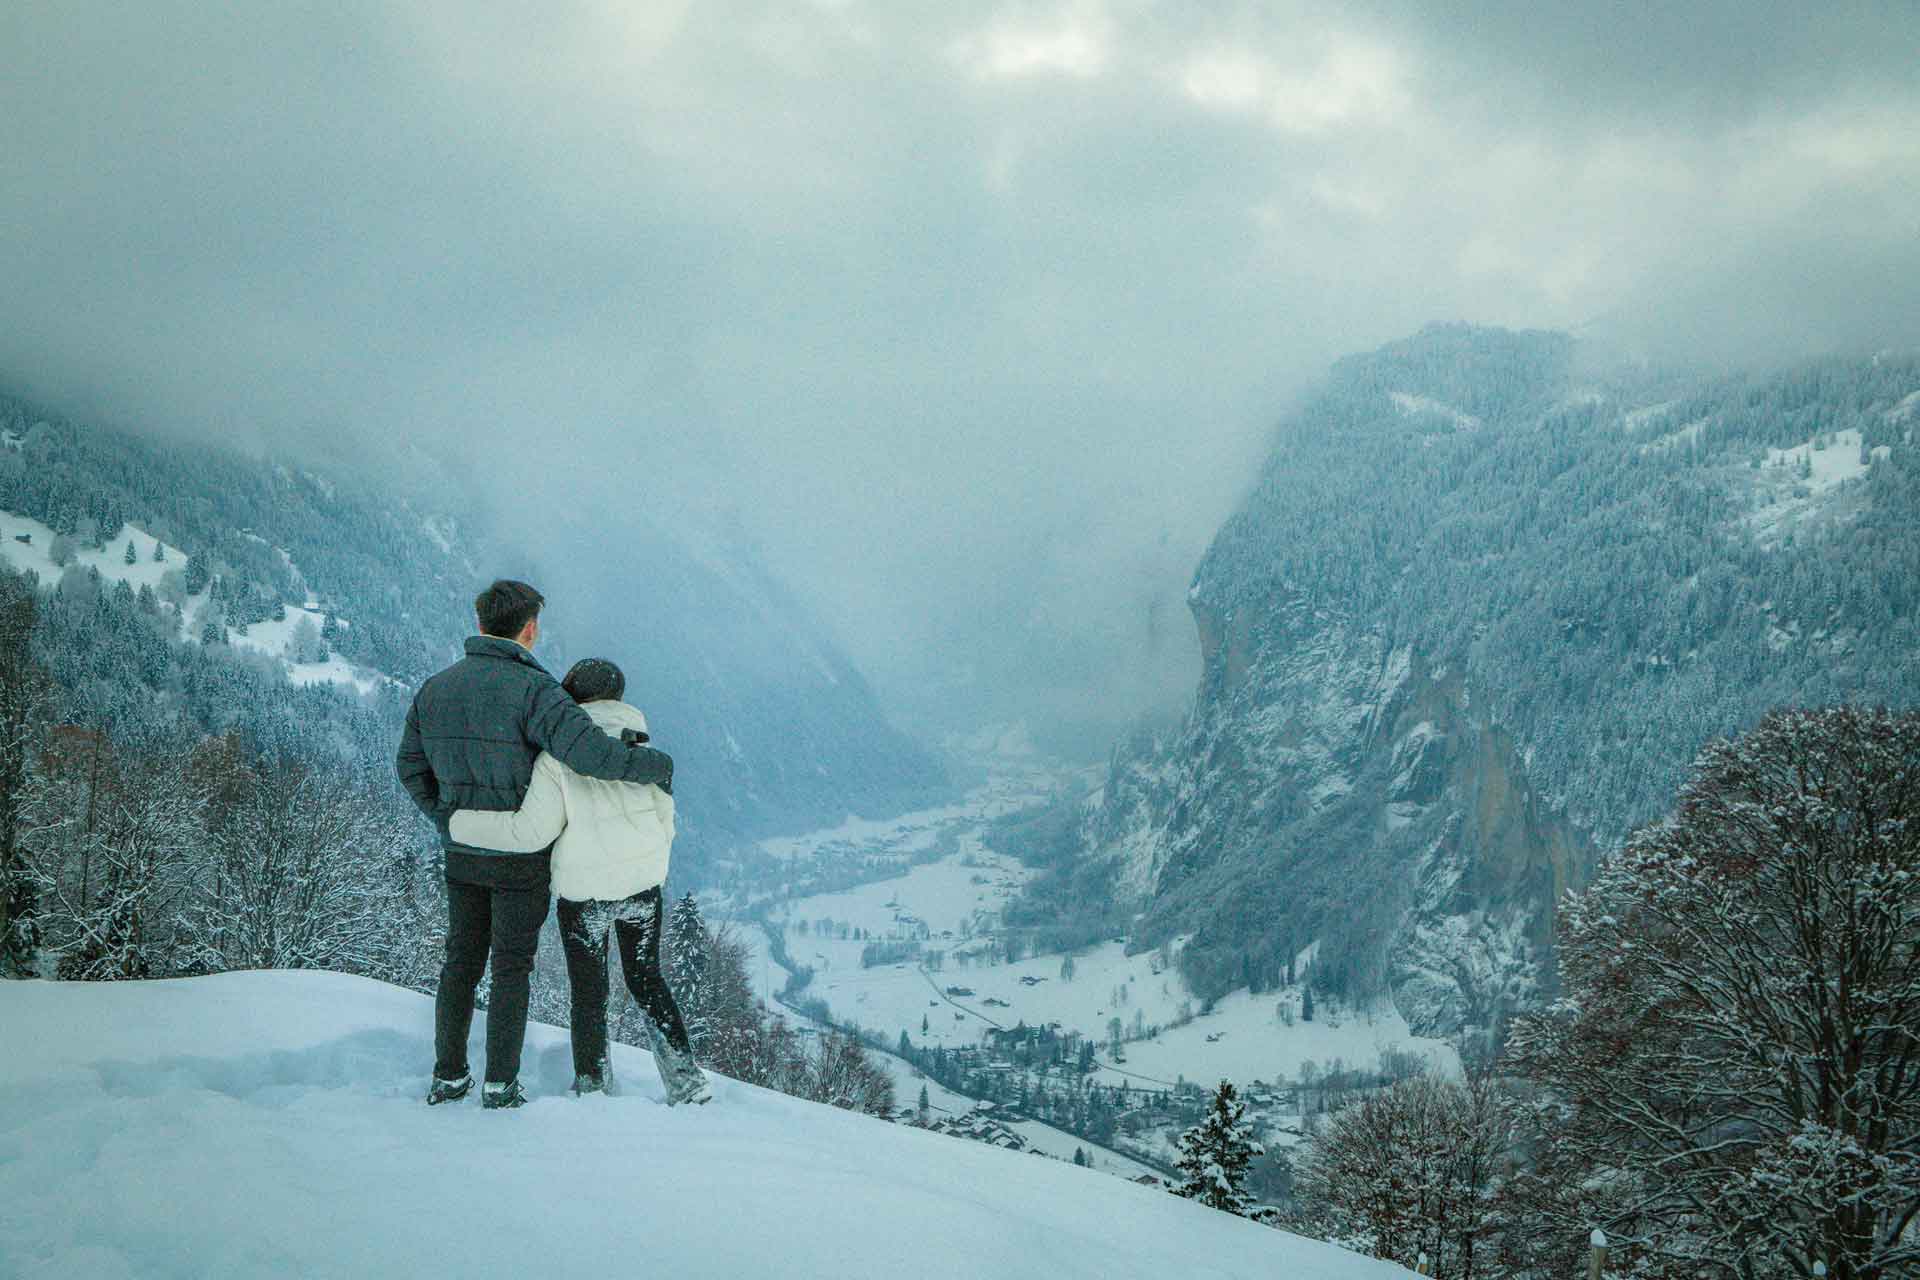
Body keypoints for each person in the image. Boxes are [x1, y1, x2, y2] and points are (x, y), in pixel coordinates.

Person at [396, 580, 674, 1110]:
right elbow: (592, 755)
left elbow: (410, 765)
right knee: (511, 965)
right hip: (521, 863)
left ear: (480, 624)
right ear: (530, 629)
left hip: (463, 856)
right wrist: (654, 766)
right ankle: (500, 1084)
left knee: (460, 962)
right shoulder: (536, 691)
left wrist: (449, 819)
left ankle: (448, 1076)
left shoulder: (435, 688)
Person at [450, 657, 709, 1106]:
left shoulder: (557, 759)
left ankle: (593, 1086)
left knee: (590, 993)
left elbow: (531, 832)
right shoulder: (647, 754)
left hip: (585, 895)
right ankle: (686, 1083)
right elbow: (667, 823)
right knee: (647, 978)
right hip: (642, 888)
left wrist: (458, 824)